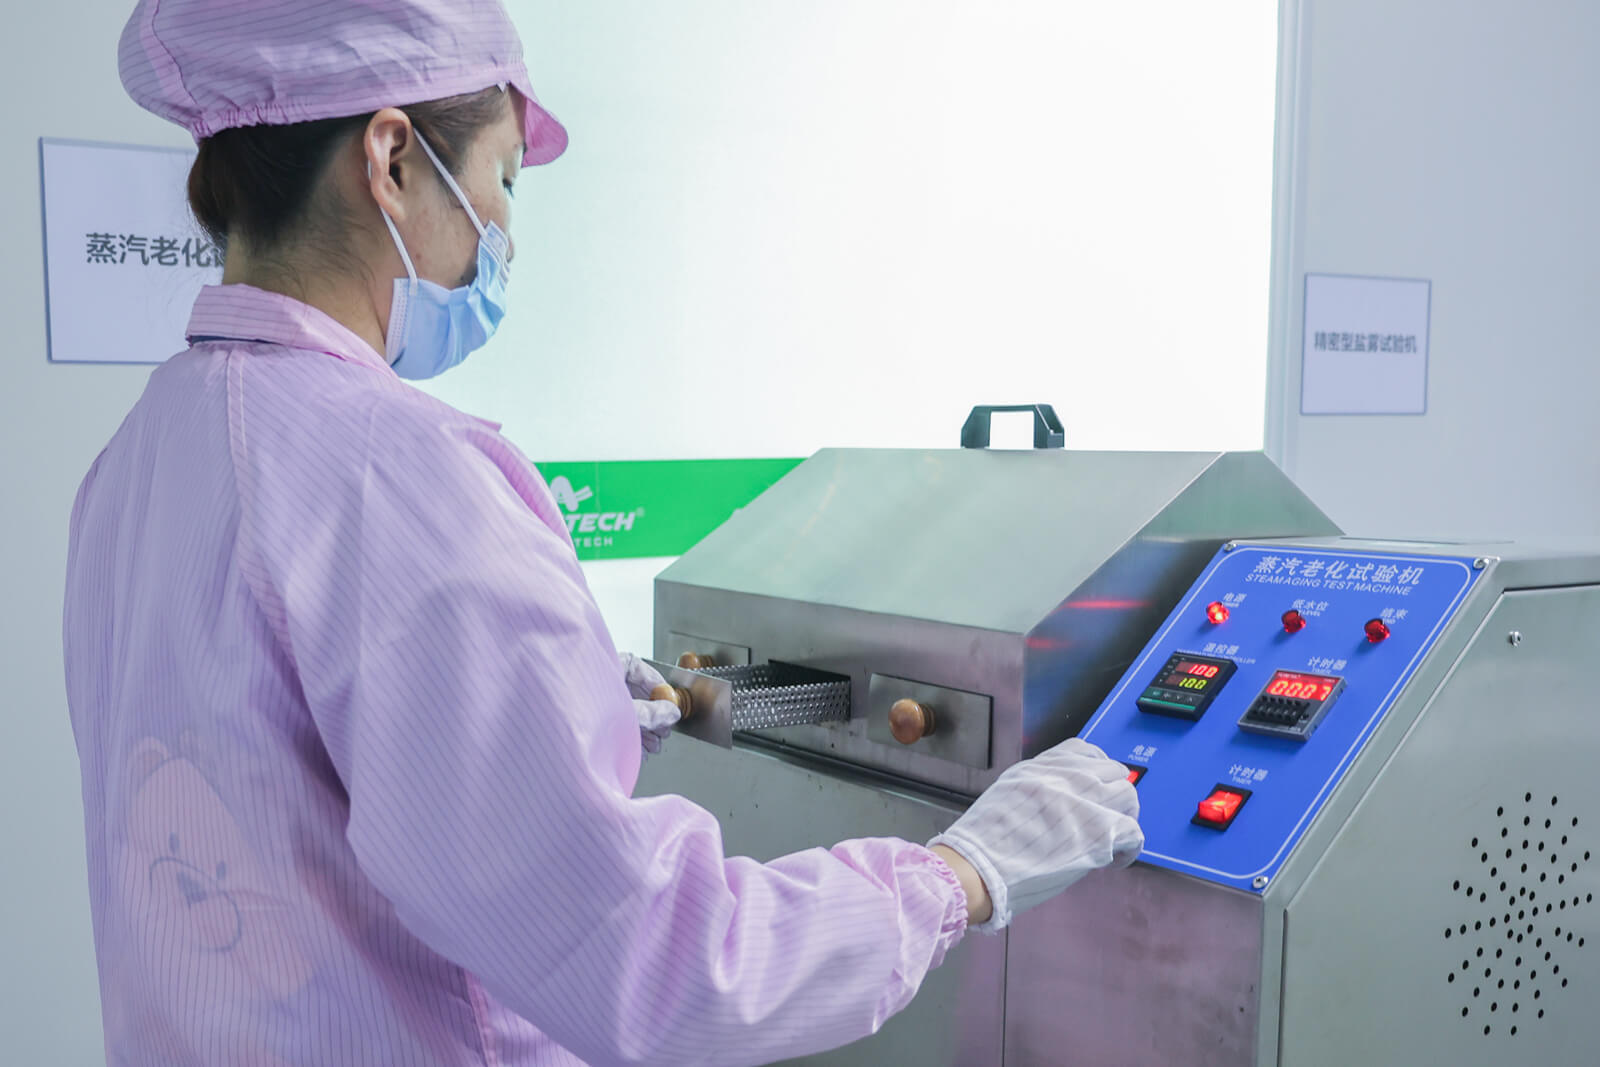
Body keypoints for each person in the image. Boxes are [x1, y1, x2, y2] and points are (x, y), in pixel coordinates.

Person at [63, 2, 1144, 1064]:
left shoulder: (142, 454)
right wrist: (963, 872)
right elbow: (666, 967)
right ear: (390, 160)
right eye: (502, 180)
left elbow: (287, 776)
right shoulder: (400, 475)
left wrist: (557, 705)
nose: (505, 235)